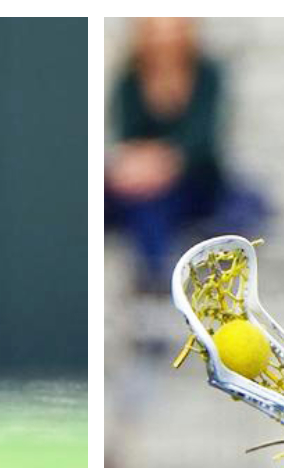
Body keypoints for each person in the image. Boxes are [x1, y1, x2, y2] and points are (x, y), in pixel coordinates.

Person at [104, 17, 263, 288]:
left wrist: (161, 162)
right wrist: (140, 166)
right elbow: (126, 136)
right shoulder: (130, 77)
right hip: (142, 181)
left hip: (196, 181)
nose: (165, 40)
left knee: (152, 202)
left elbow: (202, 141)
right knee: (142, 200)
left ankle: (157, 279)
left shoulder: (208, 74)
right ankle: (155, 279)